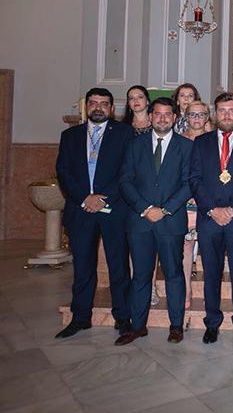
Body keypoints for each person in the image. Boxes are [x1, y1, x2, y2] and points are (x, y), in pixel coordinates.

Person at [54, 88, 132, 339]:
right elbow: (63, 172)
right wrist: (84, 198)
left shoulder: (124, 133)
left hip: (113, 210)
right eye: (93, 103)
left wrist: (102, 198)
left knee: (118, 266)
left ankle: (122, 317)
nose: (98, 107)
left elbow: (127, 171)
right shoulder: (70, 136)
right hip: (81, 210)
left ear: (112, 108)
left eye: (104, 103)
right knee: (83, 267)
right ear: (86, 106)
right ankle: (80, 317)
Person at [117, 97, 193, 345]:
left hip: (171, 222)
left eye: (167, 114)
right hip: (140, 222)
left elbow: (188, 183)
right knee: (140, 275)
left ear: (174, 118)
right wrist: (145, 208)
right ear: (150, 117)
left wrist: (166, 209)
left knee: (174, 275)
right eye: (157, 114)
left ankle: (176, 326)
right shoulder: (134, 145)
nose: (162, 118)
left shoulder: (187, 147)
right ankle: (137, 326)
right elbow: (125, 181)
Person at [189, 93, 233, 344]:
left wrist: (232, 210)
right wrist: (212, 210)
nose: (227, 115)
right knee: (212, 273)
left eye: (231, 110)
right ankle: (212, 322)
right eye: (222, 110)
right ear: (215, 113)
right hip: (209, 219)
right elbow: (194, 180)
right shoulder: (202, 143)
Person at [179, 101, 212, 307]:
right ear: (186, 117)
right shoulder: (178, 141)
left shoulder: (214, 140)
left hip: (208, 200)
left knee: (210, 247)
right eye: (192, 115)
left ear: (207, 117)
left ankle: (211, 292)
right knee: (186, 246)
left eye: (201, 114)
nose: (197, 119)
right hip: (185, 200)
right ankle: (186, 290)